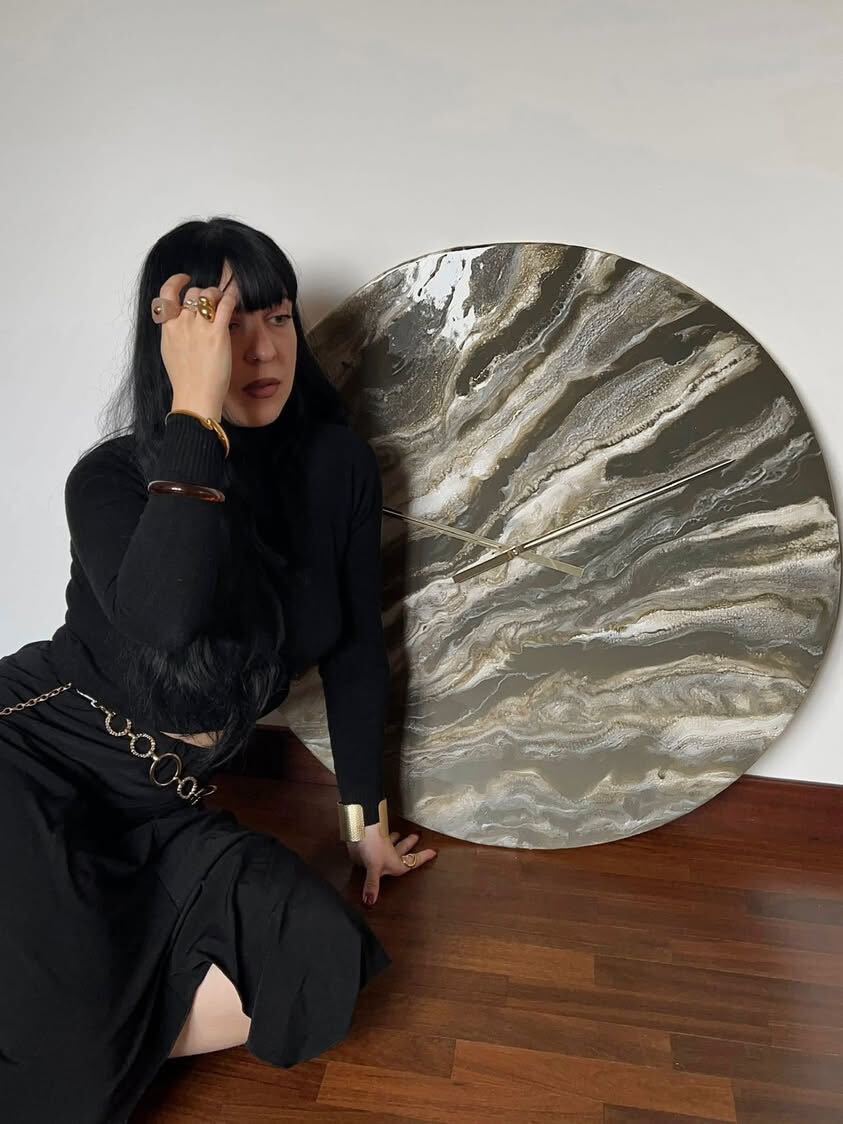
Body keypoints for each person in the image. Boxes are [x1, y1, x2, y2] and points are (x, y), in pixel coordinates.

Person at [0, 216, 437, 1123]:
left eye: (277, 317)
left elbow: (355, 649)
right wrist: (194, 414)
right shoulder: (112, 480)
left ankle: (73, 1007)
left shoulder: (338, 466)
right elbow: (166, 623)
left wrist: (363, 823)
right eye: (228, 324)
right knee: (69, 1056)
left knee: (320, 953)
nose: (263, 349)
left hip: (166, 805)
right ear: (178, 340)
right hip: (38, 760)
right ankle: (69, 1019)